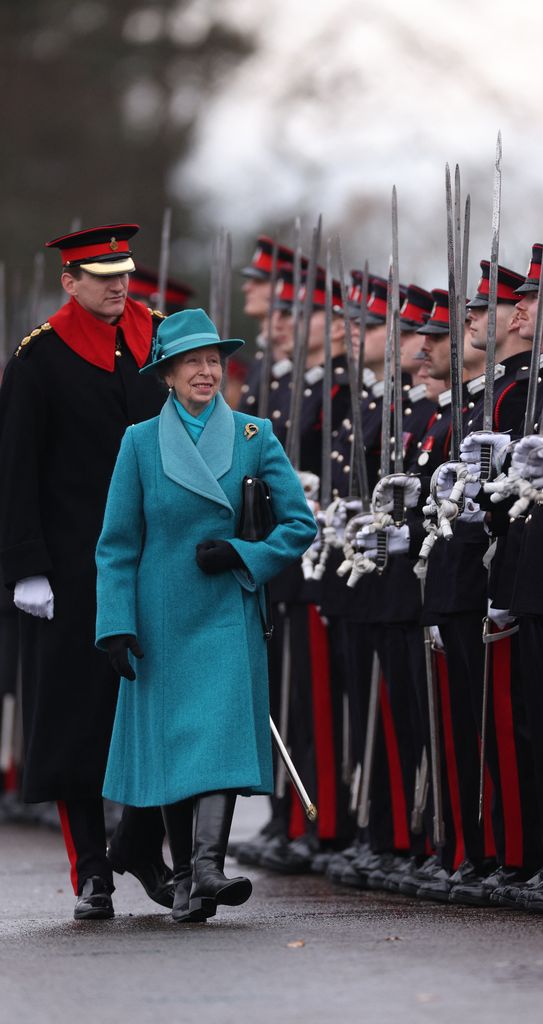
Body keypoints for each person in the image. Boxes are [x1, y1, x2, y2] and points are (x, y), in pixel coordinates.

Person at [95, 308, 317, 923]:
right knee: (174, 744)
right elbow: (117, 543)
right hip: (159, 615)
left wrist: (245, 553)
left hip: (225, 607)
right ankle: (191, 881)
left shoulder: (254, 435)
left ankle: (208, 869)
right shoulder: (138, 442)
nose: (205, 372)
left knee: (214, 733)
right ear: (166, 373)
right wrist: (114, 622)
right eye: (191, 361)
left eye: (213, 361)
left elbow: (301, 525)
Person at [0, 223, 174, 921]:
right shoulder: (39, 359)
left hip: (157, 556)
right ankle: (92, 868)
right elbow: (17, 472)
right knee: (78, 719)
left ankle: (141, 841)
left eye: (125, 275)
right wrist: (25, 568)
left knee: (159, 708)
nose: (119, 287)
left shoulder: (162, 339)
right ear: (70, 282)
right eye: (102, 278)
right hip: (73, 566)